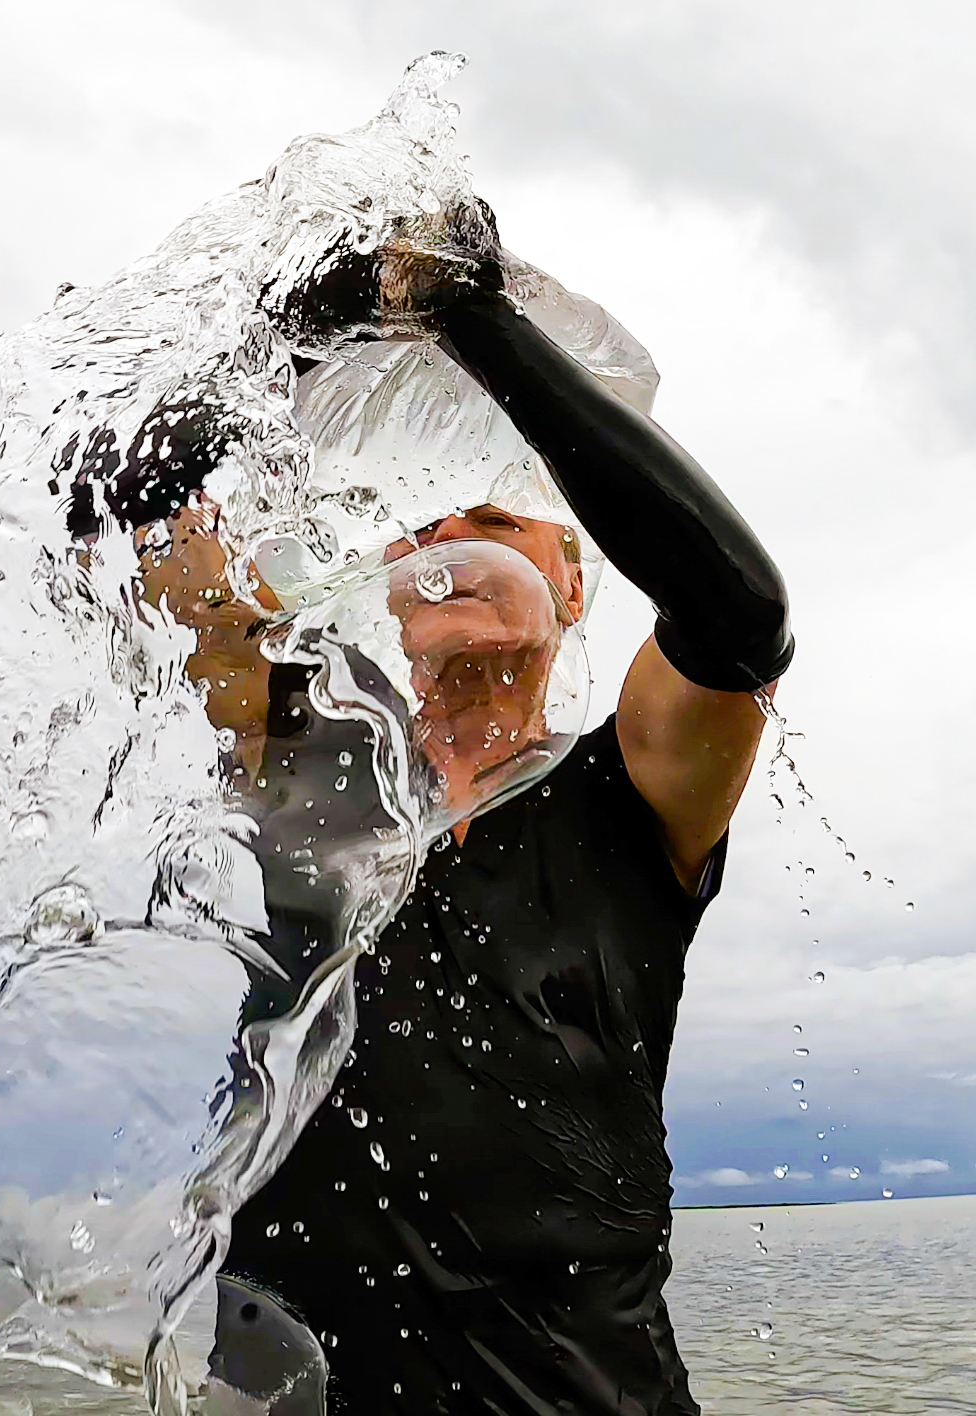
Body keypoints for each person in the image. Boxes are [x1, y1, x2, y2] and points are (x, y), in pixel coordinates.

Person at [204, 250, 793, 1415]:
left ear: (573, 587)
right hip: (279, 1375)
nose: (447, 541)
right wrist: (239, 384)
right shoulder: (321, 757)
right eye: (425, 529)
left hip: (574, 1388)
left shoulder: (630, 786)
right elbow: (183, 574)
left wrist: (462, 315)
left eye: (492, 521)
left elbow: (741, 615)